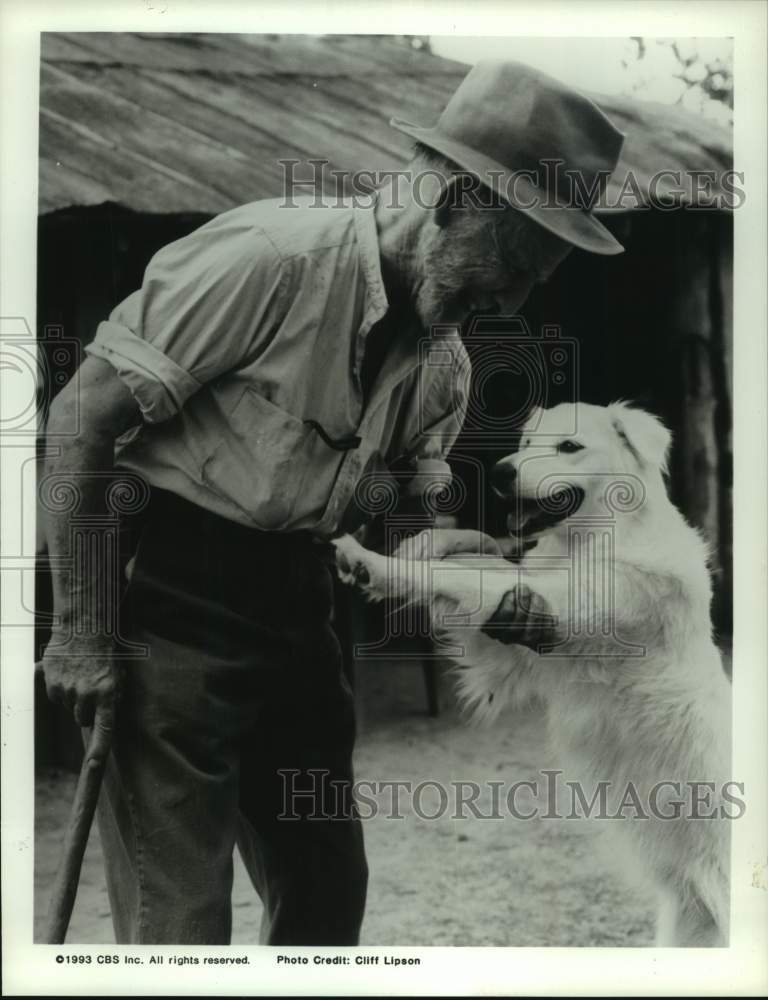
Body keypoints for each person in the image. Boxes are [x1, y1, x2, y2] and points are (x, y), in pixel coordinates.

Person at [40, 60, 625, 945]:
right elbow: (79, 422)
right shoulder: (269, 262)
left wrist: (483, 573)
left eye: (532, 283)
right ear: (451, 196)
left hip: (301, 617)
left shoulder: (444, 366)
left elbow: (405, 522)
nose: (506, 300)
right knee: (180, 930)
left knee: (325, 907)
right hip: (172, 607)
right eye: (512, 262)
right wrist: (79, 629)